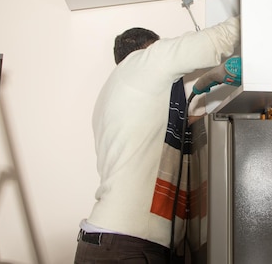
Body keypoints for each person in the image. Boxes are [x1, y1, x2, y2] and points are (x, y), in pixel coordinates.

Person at [74, 15, 240, 264]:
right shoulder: (144, 61)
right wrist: (255, 8)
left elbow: (174, 124)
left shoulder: (114, 92)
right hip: (126, 246)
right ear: (149, 48)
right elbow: (217, 40)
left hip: (101, 242)